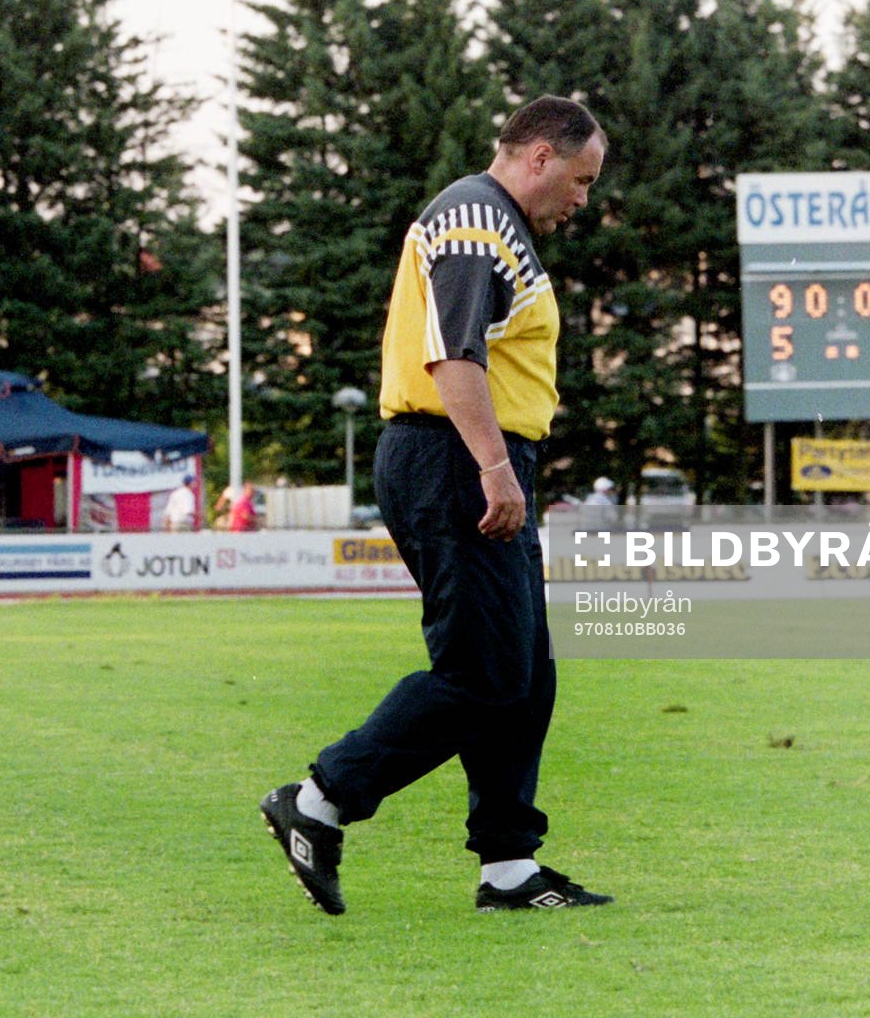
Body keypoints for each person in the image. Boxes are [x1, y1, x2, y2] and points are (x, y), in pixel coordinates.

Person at [261, 95, 613, 914]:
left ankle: (509, 867)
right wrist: (494, 466)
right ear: (540, 156)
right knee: (485, 673)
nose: (583, 199)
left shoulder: (494, 224)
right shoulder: (477, 220)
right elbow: (452, 359)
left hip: (471, 457)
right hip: (454, 456)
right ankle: (319, 801)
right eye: (582, 180)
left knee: (525, 673)